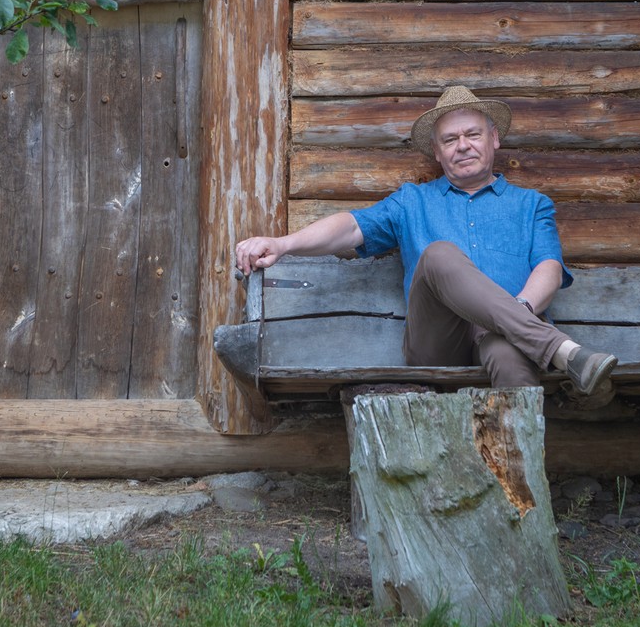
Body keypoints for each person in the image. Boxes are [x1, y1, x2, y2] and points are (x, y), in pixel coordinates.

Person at [233, 85, 617, 397]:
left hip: (510, 336)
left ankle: (516, 486)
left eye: (472, 134)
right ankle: (567, 354)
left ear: (494, 139)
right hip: (437, 344)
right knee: (438, 256)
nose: (462, 145)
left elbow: (549, 268)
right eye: (450, 139)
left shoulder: (532, 205)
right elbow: (350, 228)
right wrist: (283, 244)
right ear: (437, 152)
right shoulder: (412, 201)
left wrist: (514, 316)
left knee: (510, 355)